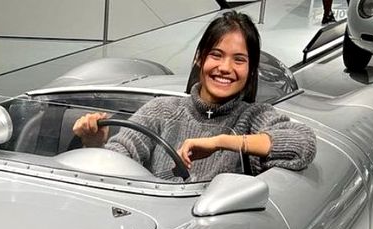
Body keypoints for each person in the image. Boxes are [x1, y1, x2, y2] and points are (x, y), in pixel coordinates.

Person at [72, 11, 316, 183]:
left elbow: (303, 145)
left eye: (239, 60)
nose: (225, 68)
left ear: (251, 69)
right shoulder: (161, 110)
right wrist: (95, 144)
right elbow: (116, 162)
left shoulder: (253, 117)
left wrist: (220, 142)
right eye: (216, 55)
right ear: (200, 58)